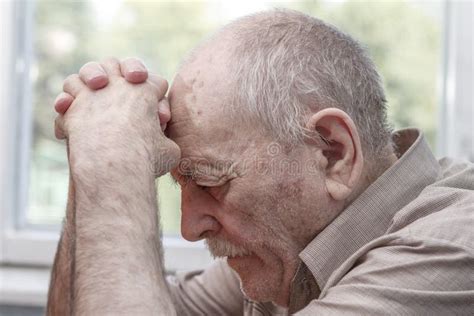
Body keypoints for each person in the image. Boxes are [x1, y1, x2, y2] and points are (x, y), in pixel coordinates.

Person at [47, 9, 474, 315]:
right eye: (182, 185)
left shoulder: (452, 249)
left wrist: (113, 163)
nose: (191, 228)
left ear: (332, 153)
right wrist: (91, 149)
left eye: (211, 182)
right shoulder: (287, 249)